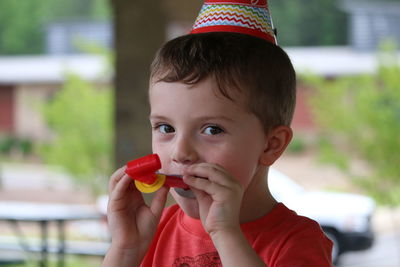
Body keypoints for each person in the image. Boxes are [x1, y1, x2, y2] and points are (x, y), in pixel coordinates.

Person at [102, 0, 333, 266]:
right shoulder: (152, 231)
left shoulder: (298, 240)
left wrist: (225, 233)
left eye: (212, 130)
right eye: (166, 128)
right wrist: (125, 250)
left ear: (271, 145)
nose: (180, 153)